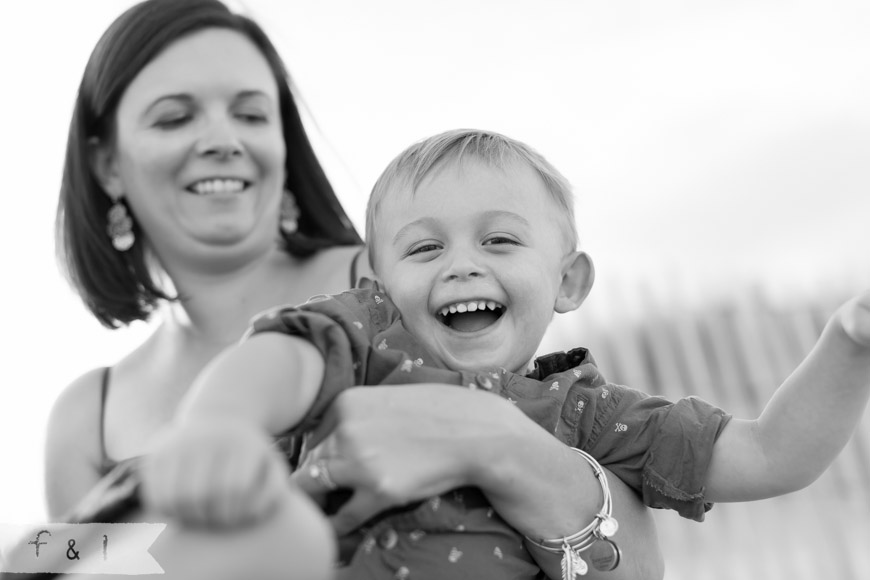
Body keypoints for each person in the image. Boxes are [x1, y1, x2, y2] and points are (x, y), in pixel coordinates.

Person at [42, 1, 662, 579]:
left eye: (252, 114)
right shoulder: (87, 417)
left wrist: (496, 443)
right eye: (175, 116)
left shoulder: (404, 287)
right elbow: (66, 561)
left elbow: (638, 564)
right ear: (107, 165)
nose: (222, 138)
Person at [140, 128, 870, 579]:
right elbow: (285, 353)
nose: (462, 265)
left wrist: (848, 340)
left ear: (569, 281)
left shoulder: (589, 418)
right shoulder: (368, 339)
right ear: (374, 278)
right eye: (425, 248)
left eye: (500, 240)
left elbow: (773, 456)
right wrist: (220, 424)